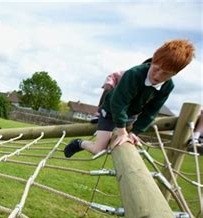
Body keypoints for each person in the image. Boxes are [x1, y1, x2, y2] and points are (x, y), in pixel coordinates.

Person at [64, 39, 195, 158]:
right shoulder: (135, 74)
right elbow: (118, 103)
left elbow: (151, 112)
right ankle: (79, 143)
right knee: (99, 149)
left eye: (166, 74)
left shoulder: (167, 86)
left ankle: (115, 129)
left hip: (130, 116)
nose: (158, 76)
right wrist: (122, 132)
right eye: (157, 69)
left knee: (122, 143)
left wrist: (135, 132)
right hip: (110, 110)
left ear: (175, 74)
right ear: (153, 60)